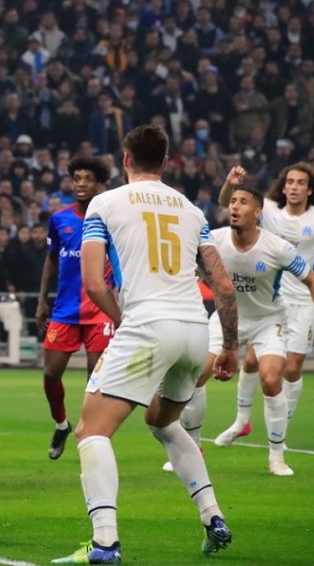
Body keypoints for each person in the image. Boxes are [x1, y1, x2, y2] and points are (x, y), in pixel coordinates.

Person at [54, 125, 238, 564]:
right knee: (161, 421)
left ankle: (104, 544)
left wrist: (124, 321)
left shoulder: (104, 202)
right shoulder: (192, 210)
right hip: (195, 331)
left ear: (125, 160)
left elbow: (94, 283)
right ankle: (213, 516)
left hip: (147, 326)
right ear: (167, 162)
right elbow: (225, 287)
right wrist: (229, 345)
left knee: (91, 431)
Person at [167, 186, 314, 477]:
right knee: (194, 375)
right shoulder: (214, 240)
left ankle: (276, 457)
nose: (234, 206)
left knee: (271, 380)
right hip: (226, 319)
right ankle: (192, 449)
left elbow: (312, 280)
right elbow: (187, 268)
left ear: (258, 212)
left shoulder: (278, 247)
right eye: (232, 201)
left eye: (243, 202)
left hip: (268, 320)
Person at [215, 164, 314, 445]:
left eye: (301, 183)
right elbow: (227, 204)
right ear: (283, 187)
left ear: (310, 190)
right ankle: (241, 421)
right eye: (290, 182)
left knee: (292, 368)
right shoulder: (268, 209)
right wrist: (230, 183)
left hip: (306, 300)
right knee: (251, 360)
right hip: (273, 299)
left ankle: (280, 430)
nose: (295, 187)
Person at [35, 157, 113, 460]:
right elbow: (52, 259)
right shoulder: (60, 219)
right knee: (51, 375)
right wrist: (43, 299)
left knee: (96, 377)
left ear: (100, 183)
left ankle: (90, 431)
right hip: (65, 310)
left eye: (87, 179)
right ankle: (62, 424)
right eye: (76, 178)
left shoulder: (110, 218)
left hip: (101, 310)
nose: (80, 184)